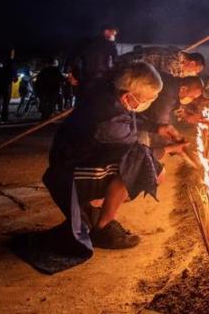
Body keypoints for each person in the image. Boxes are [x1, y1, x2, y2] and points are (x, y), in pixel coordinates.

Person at [42, 62, 185, 251]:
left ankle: (95, 207)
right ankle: (102, 228)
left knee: (142, 163)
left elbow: (129, 120)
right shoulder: (110, 121)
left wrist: (158, 128)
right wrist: (169, 149)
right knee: (147, 168)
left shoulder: (109, 94)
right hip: (70, 173)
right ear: (128, 96)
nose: (150, 103)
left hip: (73, 160)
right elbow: (137, 154)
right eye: (148, 99)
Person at [138, 73, 204, 148]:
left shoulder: (174, 83)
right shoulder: (169, 91)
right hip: (134, 115)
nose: (191, 99)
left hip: (142, 112)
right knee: (143, 144)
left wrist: (186, 115)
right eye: (191, 96)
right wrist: (170, 142)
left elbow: (174, 106)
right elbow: (161, 119)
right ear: (183, 88)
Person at [67, 25, 119, 89]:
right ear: (106, 31)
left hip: (86, 80)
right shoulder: (110, 44)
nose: (114, 36)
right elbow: (116, 61)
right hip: (101, 80)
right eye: (113, 34)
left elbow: (72, 59)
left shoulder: (86, 42)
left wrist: (70, 76)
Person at [118, 46, 205, 78]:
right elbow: (167, 79)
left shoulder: (179, 58)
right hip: (127, 64)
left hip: (135, 68)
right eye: (195, 71)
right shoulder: (173, 59)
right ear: (192, 63)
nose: (193, 74)